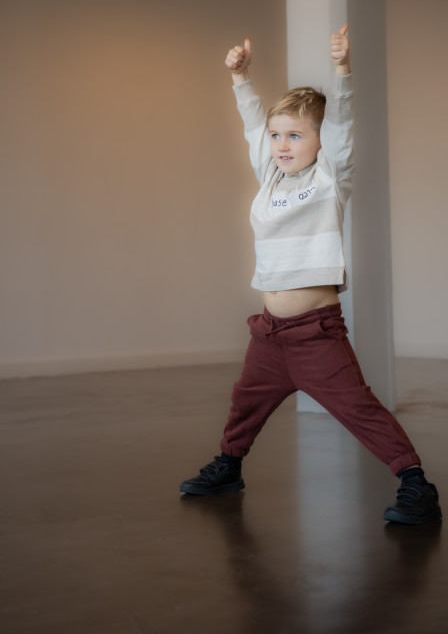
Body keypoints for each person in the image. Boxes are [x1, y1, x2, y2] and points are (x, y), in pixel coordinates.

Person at [179, 27, 442, 525]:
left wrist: (342, 71)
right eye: (277, 135)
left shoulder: (329, 180)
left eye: (296, 135)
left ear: (323, 142)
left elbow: (342, 124)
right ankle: (229, 466)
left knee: (358, 408)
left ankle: (415, 483)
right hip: (269, 334)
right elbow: (252, 124)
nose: (282, 144)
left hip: (315, 335)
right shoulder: (270, 177)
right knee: (245, 403)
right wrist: (240, 78)